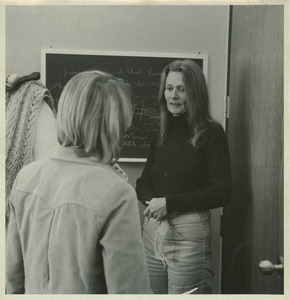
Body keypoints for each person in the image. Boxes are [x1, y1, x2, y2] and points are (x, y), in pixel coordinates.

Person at [6, 70, 151, 294]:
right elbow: (129, 291)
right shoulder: (117, 193)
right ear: (115, 124)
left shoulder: (27, 177)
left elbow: (13, 282)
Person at [136, 59, 232, 294]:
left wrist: (169, 203)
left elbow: (222, 192)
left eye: (182, 89)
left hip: (188, 234)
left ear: (195, 93)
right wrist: (154, 202)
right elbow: (142, 183)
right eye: (169, 88)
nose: (174, 96)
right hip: (153, 232)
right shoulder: (161, 133)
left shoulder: (211, 133)